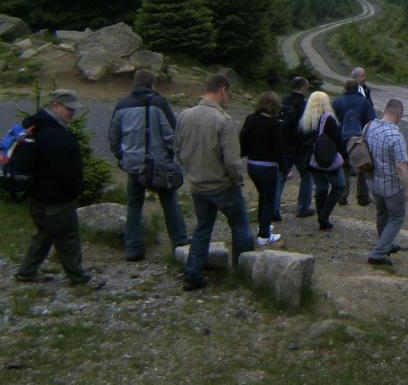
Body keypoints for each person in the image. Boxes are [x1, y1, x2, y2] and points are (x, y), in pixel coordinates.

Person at [15, 89, 103, 288]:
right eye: (69, 109)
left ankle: (27, 271)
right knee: (68, 236)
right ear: (55, 106)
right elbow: (65, 169)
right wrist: (75, 188)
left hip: (36, 193)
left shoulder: (33, 127)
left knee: (45, 232)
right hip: (58, 195)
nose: (72, 113)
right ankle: (79, 278)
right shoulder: (56, 135)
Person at [176, 74, 254, 292]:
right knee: (240, 225)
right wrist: (238, 180)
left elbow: (178, 149)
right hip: (222, 185)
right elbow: (232, 160)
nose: (228, 97)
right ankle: (243, 272)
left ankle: (192, 273)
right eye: (228, 93)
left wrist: (191, 170)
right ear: (222, 90)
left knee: (202, 229)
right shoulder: (224, 121)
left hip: (197, 184)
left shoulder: (184, 115)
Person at [107, 69, 189, 262]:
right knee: (170, 203)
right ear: (153, 84)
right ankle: (180, 243)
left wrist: (122, 156)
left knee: (134, 204)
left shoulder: (122, 105)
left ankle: (133, 248)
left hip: (133, 164)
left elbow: (113, 136)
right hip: (159, 165)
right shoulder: (159, 103)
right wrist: (171, 156)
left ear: (134, 83)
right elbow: (172, 134)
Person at [365, 99, 408, 266]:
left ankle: (385, 243)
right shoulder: (395, 136)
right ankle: (377, 254)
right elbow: (400, 166)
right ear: (398, 114)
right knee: (396, 218)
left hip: (373, 181)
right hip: (391, 186)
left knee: (382, 214)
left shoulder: (369, 126)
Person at [239, 91, 286, 246]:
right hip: (268, 167)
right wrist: (285, 169)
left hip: (252, 164)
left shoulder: (250, 119)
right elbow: (278, 150)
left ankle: (263, 225)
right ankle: (264, 235)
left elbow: (242, 139)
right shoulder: (275, 124)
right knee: (268, 199)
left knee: (263, 196)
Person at [301, 91, 347, 230]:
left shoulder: (306, 119)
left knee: (321, 187)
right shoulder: (328, 119)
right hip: (329, 161)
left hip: (313, 161)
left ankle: (322, 220)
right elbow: (338, 140)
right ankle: (324, 215)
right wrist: (345, 157)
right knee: (339, 186)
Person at [277, 76, 315, 219]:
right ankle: (304, 207)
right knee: (306, 176)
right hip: (300, 148)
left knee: (281, 177)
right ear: (304, 87)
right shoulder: (305, 105)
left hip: (283, 145)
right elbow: (308, 126)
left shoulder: (283, 101)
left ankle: (273, 208)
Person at [333, 79, 375, 205]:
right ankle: (362, 197)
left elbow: (332, 120)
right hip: (359, 141)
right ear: (358, 89)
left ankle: (342, 195)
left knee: (344, 167)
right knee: (362, 167)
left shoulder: (338, 102)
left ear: (345, 89)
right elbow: (372, 121)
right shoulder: (365, 102)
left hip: (342, 140)